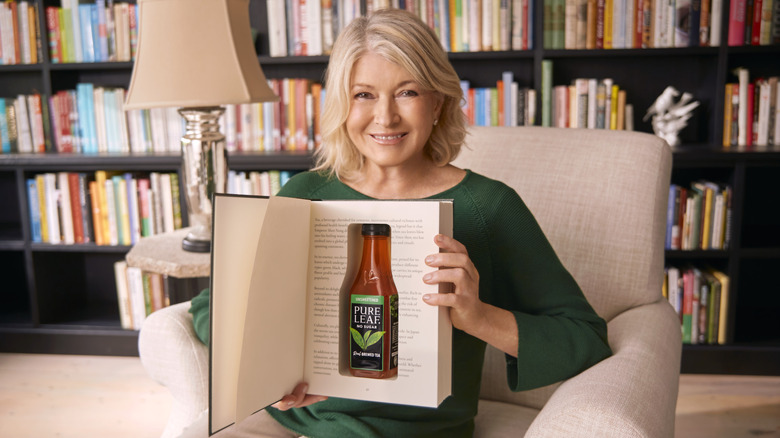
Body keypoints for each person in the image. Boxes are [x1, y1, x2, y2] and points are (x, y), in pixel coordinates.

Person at [187, 8, 611, 437]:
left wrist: (477, 317)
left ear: (438, 101)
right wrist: (266, 375)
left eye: (407, 92)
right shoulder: (304, 194)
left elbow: (586, 339)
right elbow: (212, 306)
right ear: (341, 105)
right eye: (363, 95)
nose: (385, 117)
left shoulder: (489, 207)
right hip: (303, 422)